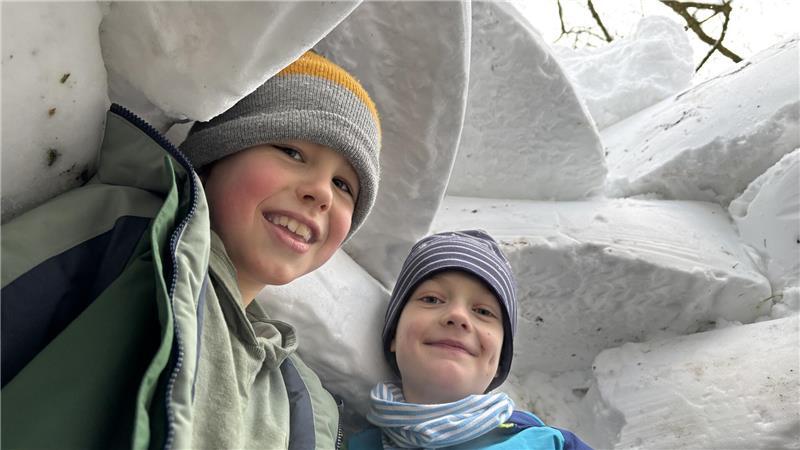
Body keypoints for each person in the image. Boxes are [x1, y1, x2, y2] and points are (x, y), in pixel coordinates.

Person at [1, 50, 380, 449]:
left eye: (343, 186)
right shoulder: (127, 236)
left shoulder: (301, 400)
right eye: (292, 152)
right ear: (216, 157)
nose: (320, 192)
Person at [348, 230, 592, 449]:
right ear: (393, 336)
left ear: (499, 362)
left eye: (483, 311)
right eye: (432, 299)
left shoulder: (552, 445)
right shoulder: (347, 443)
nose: (457, 316)